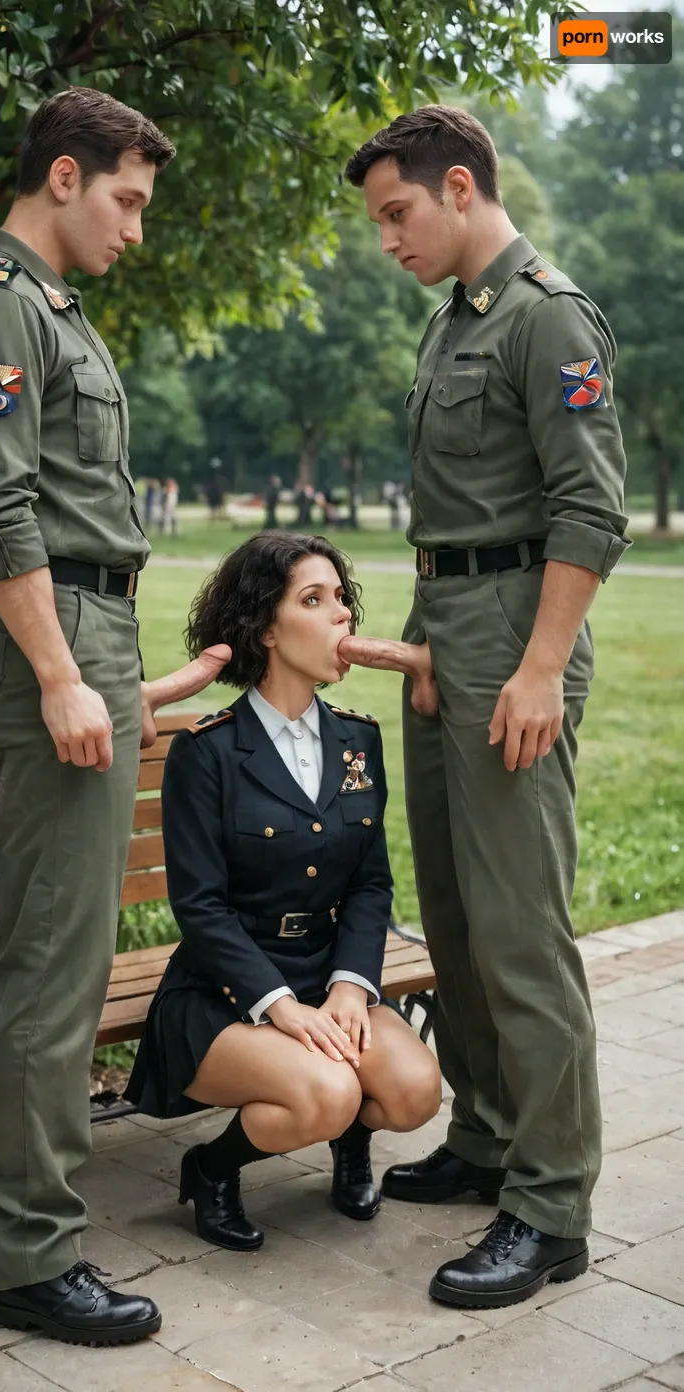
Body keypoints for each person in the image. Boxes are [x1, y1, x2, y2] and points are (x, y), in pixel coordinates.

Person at [0, 87, 231, 1347]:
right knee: (64, 962)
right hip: (57, 633)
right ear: (64, 175)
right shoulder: (5, 306)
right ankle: (34, 1253)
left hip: (85, 634)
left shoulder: (45, 309)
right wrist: (63, 672)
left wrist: (105, 671)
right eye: (127, 199)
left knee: (32, 943)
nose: (136, 228)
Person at [342, 105, 629, 1308]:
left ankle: (550, 1204)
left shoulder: (546, 314)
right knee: (455, 919)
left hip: (515, 632)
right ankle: (487, 1137)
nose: (389, 240)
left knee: (520, 931)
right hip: (439, 629)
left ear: (459, 188)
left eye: (397, 214)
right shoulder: (448, 323)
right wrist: (419, 647)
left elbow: (589, 511)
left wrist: (536, 665)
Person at [124, 531, 441, 1251]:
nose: (342, 619)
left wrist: (350, 989)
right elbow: (199, 908)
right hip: (226, 990)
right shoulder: (206, 751)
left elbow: (368, 883)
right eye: (314, 600)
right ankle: (210, 1168)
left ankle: (348, 1143)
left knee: (414, 1091)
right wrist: (280, 1009)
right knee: (326, 1093)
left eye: (342, 600)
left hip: (327, 973)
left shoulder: (358, 739)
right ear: (264, 628)